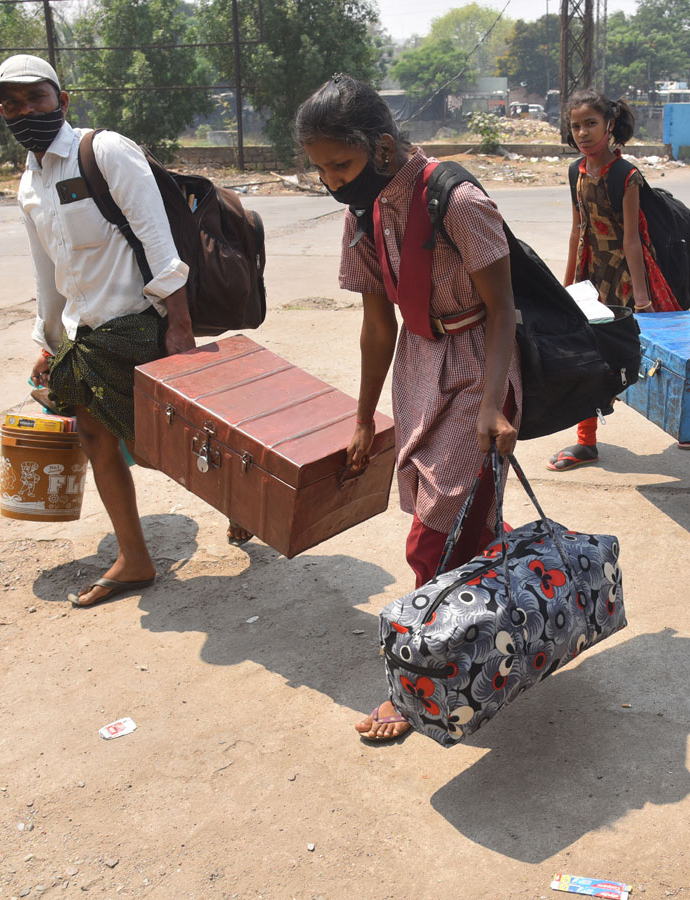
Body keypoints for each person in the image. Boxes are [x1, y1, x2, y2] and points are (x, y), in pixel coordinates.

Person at [294, 75, 521, 743]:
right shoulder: (361, 213)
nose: (333, 180)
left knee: (436, 530)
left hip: (479, 363)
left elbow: (505, 309)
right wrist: (365, 417)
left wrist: (492, 405)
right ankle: (494, 647)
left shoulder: (460, 201)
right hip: (419, 365)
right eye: (321, 168)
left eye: (341, 164)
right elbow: (376, 325)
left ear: (384, 147)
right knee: (466, 522)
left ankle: (419, 680)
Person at [0, 55, 240, 609]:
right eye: (11, 103)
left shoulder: (103, 152)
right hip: (86, 336)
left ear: (63, 100)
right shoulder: (30, 183)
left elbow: (158, 244)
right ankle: (135, 558)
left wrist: (179, 327)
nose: (24, 111)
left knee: (159, 446)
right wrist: (46, 340)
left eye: (36, 98)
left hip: (139, 325)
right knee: (100, 436)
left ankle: (239, 501)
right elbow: (47, 273)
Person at [546, 89, 688, 472]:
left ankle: (689, 426)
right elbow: (578, 229)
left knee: (650, 354)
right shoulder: (575, 170)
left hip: (627, 274)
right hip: (592, 274)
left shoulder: (626, 175)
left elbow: (631, 238)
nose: (583, 133)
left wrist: (641, 299)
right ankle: (586, 443)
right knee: (589, 358)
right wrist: (566, 287)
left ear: (609, 125)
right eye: (575, 126)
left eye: (591, 124)